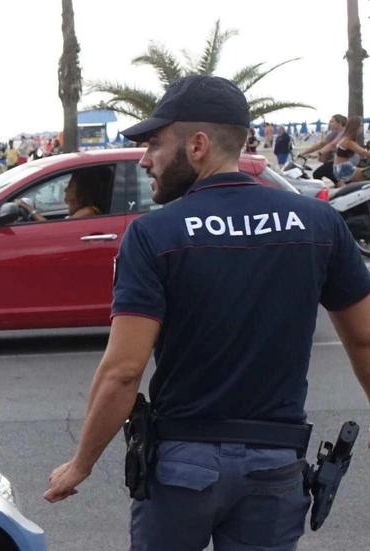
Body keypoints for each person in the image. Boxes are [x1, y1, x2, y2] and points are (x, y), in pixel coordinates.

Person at [43, 75, 370, 550]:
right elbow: (364, 339)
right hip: (275, 467)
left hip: (182, 469)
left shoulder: (154, 235)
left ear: (197, 145)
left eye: (155, 142)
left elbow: (122, 371)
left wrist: (81, 464)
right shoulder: (317, 223)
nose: (144, 158)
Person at [17, 169, 104, 222]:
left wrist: (29, 209)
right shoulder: (81, 210)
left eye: (70, 186)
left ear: (81, 191)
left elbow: (53, 229)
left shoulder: (88, 211)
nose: (65, 189)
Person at [300, 113, 346, 182]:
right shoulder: (335, 133)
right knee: (335, 179)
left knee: (317, 174)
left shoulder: (342, 133)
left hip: (340, 161)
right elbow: (322, 144)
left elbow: (329, 145)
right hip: (335, 160)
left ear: (339, 122)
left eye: (332, 122)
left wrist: (317, 153)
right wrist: (305, 153)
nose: (330, 123)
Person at [331, 117, 370, 185]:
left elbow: (361, 153)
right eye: (361, 125)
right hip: (344, 169)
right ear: (356, 127)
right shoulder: (348, 142)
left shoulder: (345, 139)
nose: (362, 127)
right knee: (367, 173)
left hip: (338, 168)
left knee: (365, 172)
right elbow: (364, 153)